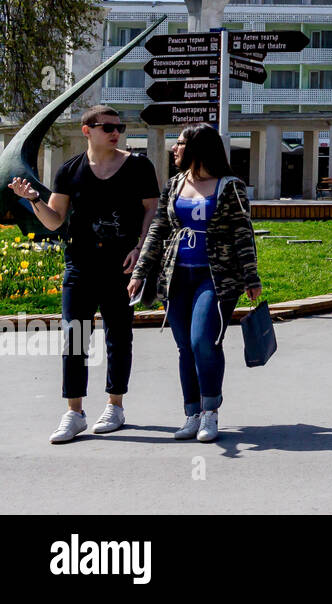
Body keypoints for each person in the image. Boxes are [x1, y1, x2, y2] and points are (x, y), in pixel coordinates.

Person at [8, 106, 160, 444]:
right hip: (80, 264)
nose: (115, 132)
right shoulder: (70, 171)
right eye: (107, 127)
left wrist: (141, 249)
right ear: (87, 130)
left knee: (118, 336)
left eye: (119, 126)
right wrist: (34, 199)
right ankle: (74, 412)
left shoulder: (138, 166)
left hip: (122, 264)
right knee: (74, 337)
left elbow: (152, 209)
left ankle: (115, 405)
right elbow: (55, 220)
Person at [129, 124, 261, 444]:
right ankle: (192, 414)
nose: (175, 149)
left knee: (203, 339)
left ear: (197, 148)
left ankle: (210, 411)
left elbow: (242, 232)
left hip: (214, 275)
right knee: (185, 347)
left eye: (180, 144)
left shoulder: (230, 187)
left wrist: (251, 275)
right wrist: (140, 272)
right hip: (176, 276)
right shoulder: (174, 184)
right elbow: (158, 230)